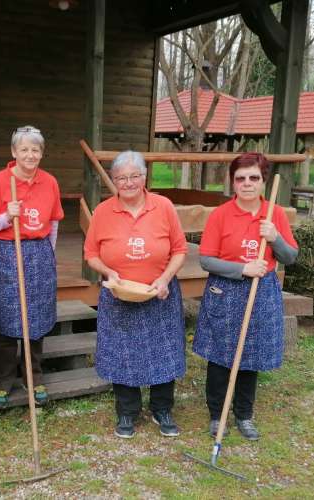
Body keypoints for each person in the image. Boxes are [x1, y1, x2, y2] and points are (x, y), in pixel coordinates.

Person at [194, 152, 298, 441]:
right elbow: (206, 260)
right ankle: (217, 414)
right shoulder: (220, 214)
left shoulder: (274, 214)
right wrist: (243, 268)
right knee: (220, 355)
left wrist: (274, 236)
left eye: (254, 177)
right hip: (225, 291)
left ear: (264, 181)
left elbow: (291, 257)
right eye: (240, 178)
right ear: (233, 182)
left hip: (261, 292)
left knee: (250, 354)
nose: (247, 183)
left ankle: (244, 414)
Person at [83, 150, 188, 439]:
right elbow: (90, 253)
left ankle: (162, 409)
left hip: (160, 292)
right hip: (119, 295)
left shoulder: (163, 206)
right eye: (121, 178)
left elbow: (180, 249)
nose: (128, 182)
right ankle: (127, 412)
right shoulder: (103, 211)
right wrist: (108, 273)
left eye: (134, 176)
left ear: (144, 177)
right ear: (113, 181)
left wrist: (165, 278)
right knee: (123, 353)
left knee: (164, 351)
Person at [0, 125, 64, 409]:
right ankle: (2, 381)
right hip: (6, 254)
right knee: (6, 320)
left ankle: (33, 377)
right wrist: (5, 216)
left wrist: (48, 253)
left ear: (42, 152)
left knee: (35, 321)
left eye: (35, 149)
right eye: (24, 149)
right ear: (14, 152)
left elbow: (53, 222)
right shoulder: (0, 181)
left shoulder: (49, 182)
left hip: (39, 254)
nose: (30, 154)